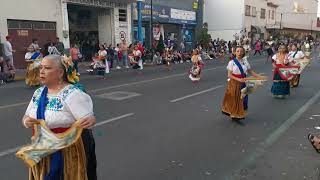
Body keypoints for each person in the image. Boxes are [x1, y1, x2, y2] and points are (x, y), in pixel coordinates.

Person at [22, 55, 97, 179]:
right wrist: (26, 121)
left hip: (67, 153)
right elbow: (26, 116)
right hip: (43, 150)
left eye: (47, 68)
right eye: (41, 67)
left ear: (60, 72)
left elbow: (89, 119)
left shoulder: (73, 94)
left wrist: (90, 120)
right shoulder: (38, 93)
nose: (41, 71)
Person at [221, 46, 262, 120]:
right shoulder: (232, 62)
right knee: (235, 98)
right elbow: (229, 75)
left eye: (241, 51)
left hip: (243, 82)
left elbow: (250, 72)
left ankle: (238, 113)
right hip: (234, 83)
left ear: (243, 52)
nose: (239, 53)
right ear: (235, 52)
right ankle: (234, 114)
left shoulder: (245, 62)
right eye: (237, 51)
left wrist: (258, 76)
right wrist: (238, 79)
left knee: (242, 99)